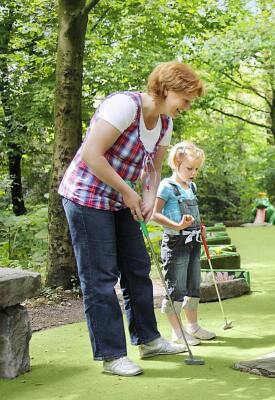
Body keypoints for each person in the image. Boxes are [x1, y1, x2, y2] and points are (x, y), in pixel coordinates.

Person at [58, 61, 204, 376]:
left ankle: (149, 340)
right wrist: (128, 191)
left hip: (121, 198)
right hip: (85, 196)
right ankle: (112, 356)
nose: (187, 107)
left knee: (137, 268)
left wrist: (149, 198)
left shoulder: (165, 123)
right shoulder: (124, 106)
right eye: (186, 99)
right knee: (101, 278)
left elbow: (153, 168)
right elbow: (91, 153)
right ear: (167, 89)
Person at [151, 141, 215, 346]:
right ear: (175, 164)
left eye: (196, 169)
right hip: (175, 244)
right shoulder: (167, 187)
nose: (193, 173)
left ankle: (192, 326)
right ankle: (177, 332)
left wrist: (199, 226)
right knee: (176, 288)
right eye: (189, 168)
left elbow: (193, 213)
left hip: (194, 242)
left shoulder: (192, 186)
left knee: (193, 286)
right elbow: (155, 214)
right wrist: (177, 225)